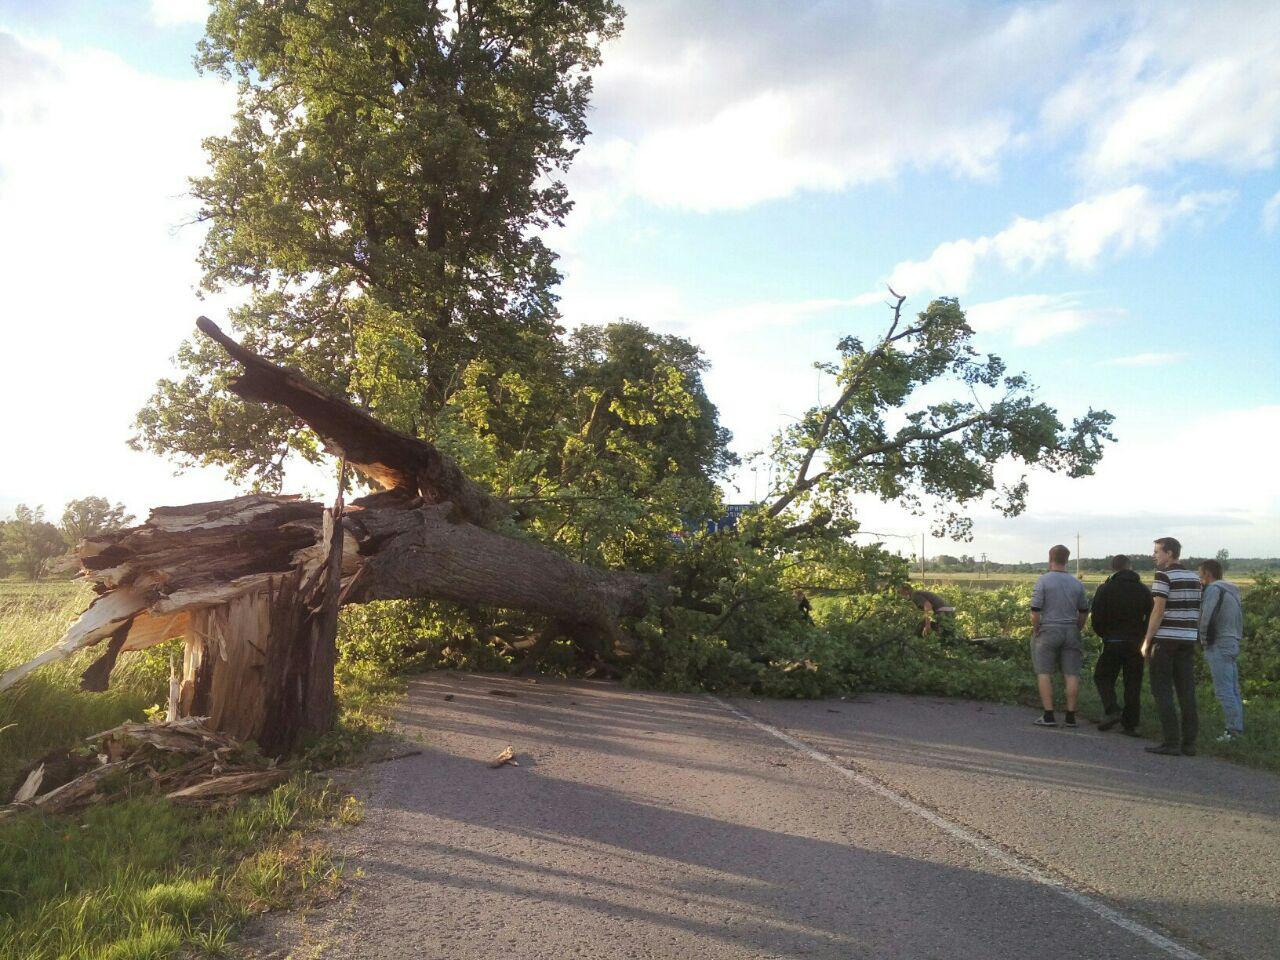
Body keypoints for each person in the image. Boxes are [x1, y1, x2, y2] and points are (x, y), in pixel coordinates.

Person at [1141, 537, 1201, 756]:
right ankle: (1189, 743)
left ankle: (1171, 741)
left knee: (1162, 690)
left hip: (1166, 640)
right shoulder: (1194, 577)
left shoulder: (1163, 575)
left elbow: (1158, 610)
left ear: (1169, 553)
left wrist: (1147, 640)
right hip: (1187, 639)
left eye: (1157, 551)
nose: (1154, 555)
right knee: (1186, 691)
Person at [1089, 554, 1152, 735]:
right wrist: (1144, 636)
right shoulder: (1143, 590)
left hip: (1113, 641)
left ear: (1113, 568)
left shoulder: (1105, 589)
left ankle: (1112, 709)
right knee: (1133, 683)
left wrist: (1104, 634)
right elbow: (1151, 615)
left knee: (1102, 676)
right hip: (1136, 643)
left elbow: (1097, 617)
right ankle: (1131, 724)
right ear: (1130, 567)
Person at [1030, 544, 1090, 727]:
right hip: (1070, 630)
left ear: (1050, 559)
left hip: (1048, 630)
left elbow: (1035, 610)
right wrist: (1078, 627)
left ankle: (1049, 715)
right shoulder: (1076, 583)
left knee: (1044, 672)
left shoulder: (1043, 581)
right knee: (1071, 673)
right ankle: (1070, 716)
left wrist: (1036, 628)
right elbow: (1083, 611)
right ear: (1067, 560)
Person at [1198, 559, 1245, 741]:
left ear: (1207, 574)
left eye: (1200, 573)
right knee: (1233, 688)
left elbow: (1206, 617)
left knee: (1223, 689)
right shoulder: (1232, 590)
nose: (1199, 577)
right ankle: (1237, 728)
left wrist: (1202, 639)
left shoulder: (1214, 590)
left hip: (1218, 642)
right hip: (1232, 641)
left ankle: (1232, 731)